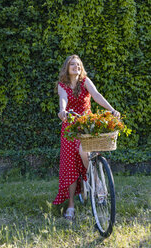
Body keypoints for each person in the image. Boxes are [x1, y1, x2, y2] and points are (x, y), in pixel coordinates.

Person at [53, 54, 120, 220]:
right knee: (70, 167)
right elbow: (63, 99)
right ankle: (70, 205)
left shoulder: (85, 81)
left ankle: (95, 180)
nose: (76, 67)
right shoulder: (63, 85)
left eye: (78, 64)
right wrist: (63, 111)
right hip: (70, 125)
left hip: (86, 124)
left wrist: (112, 110)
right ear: (67, 68)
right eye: (72, 65)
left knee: (85, 150)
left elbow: (96, 95)